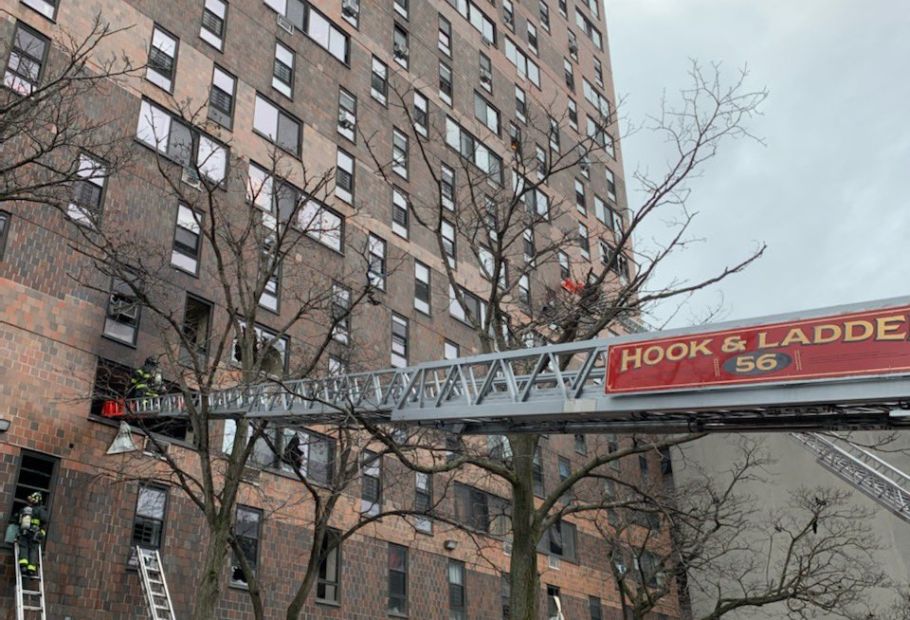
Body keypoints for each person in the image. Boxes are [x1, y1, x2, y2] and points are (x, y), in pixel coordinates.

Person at [17, 492, 49, 577]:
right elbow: (45, 520)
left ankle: (23, 565)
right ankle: (31, 569)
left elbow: (19, 520)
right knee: (33, 550)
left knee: (24, 547)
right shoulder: (41, 510)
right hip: (35, 534)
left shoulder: (26, 509)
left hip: (25, 532)